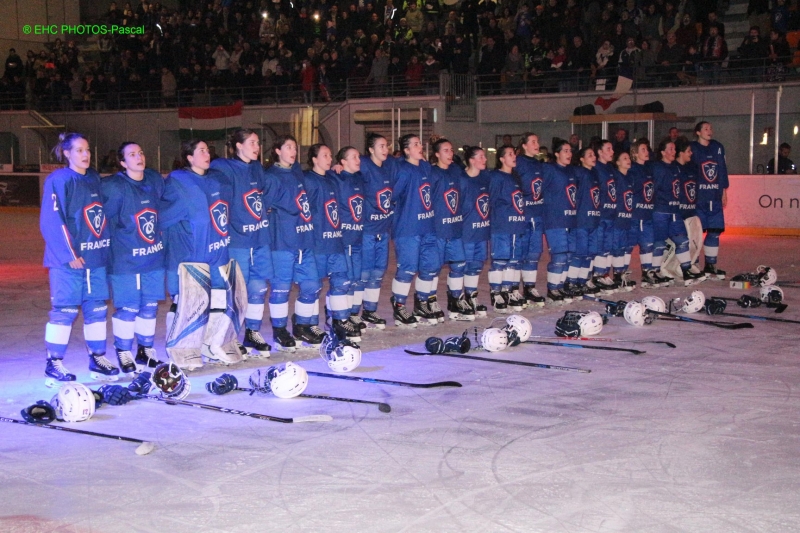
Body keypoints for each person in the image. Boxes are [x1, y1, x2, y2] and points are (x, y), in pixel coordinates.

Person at [40, 133, 115, 387]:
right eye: (79, 150)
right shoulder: (59, 179)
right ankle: (53, 363)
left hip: (95, 258)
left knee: (97, 309)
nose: (85, 154)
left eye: (88, 150)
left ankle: (97, 358)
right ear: (67, 153)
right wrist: (68, 253)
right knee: (65, 311)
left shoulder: (93, 177)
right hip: (68, 261)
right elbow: (51, 219)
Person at [160, 140, 234, 367]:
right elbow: (164, 217)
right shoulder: (179, 181)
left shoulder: (215, 179)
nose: (206, 154)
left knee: (219, 298)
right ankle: (179, 346)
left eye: (207, 150)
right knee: (187, 302)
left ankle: (211, 344)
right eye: (201, 151)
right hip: (190, 254)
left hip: (215, 250)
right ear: (189, 157)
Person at [101, 142, 166, 376]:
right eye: (132, 154)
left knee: (149, 306)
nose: (139, 157)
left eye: (140, 152)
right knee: (128, 308)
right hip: (126, 261)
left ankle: (145, 350)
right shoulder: (114, 187)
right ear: (122, 162)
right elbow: (103, 223)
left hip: (153, 257)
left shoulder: (154, 180)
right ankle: (123, 350)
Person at [209, 129, 273, 357]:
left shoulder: (257, 167)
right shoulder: (222, 167)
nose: (257, 147)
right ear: (238, 145)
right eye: (252, 142)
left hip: (260, 238)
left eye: (258, 142)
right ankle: (230, 337)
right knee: (237, 292)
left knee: (258, 288)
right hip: (238, 241)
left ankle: (252, 332)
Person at [263, 135, 323, 349]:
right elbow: (262, 207)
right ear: (277, 150)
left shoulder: (297, 171)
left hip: (303, 239)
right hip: (282, 242)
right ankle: (279, 330)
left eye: (295, 148)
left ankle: (302, 326)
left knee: (312, 285)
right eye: (288, 147)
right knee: (281, 289)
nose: (293, 151)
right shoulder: (271, 177)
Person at [303, 144, 360, 342]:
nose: (329, 159)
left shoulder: (332, 178)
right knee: (314, 286)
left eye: (330, 155)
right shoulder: (308, 180)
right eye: (325, 155)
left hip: (336, 241)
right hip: (318, 243)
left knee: (341, 281)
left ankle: (339, 320)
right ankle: (309, 324)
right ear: (314, 159)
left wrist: (338, 169)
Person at [390, 134, 438, 327]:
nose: (420, 147)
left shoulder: (425, 167)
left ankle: (422, 303)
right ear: (407, 150)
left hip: (428, 227)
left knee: (430, 267)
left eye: (420, 143)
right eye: (415, 144)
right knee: (407, 269)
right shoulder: (402, 170)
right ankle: (399, 305)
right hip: (408, 229)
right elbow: (392, 196)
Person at [429, 138, 473, 321]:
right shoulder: (432, 173)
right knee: (433, 268)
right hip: (438, 229)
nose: (450, 153)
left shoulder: (456, 170)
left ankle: (455, 300)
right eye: (445, 150)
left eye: (451, 150)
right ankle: (429, 300)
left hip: (455, 229)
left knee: (458, 265)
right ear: (437, 154)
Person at [651, 138, 704, 286]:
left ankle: (686, 270)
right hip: (661, 212)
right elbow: (653, 189)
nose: (674, 151)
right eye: (671, 149)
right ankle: (654, 272)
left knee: (682, 240)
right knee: (659, 243)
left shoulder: (676, 168)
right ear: (663, 152)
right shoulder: (658, 168)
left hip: (675, 212)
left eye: (675, 149)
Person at [358, 133, 394, 329]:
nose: (385, 149)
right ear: (371, 150)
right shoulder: (364, 165)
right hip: (367, 231)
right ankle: (353, 314)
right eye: (381, 146)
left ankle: (370, 311)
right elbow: (348, 169)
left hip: (383, 231)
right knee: (363, 274)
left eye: (386, 146)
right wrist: (337, 168)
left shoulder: (388, 167)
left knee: (378, 273)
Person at [488, 145, 528, 312]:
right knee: (500, 260)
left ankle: (507, 290)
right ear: (502, 159)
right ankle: (496, 293)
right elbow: (491, 201)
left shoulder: (515, 177)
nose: (514, 156)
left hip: (516, 225)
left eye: (514, 154)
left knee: (513, 260)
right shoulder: (496, 177)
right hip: (502, 226)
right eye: (510, 154)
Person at [332, 147, 366, 331]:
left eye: (358, 156)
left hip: (358, 237)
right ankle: (337, 316)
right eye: (353, 157)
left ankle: (352, 314)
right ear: (343, 162)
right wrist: (333, 169)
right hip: (343, 239)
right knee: (343, 280)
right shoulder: (336, 178)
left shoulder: (359, 178)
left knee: (356, 279)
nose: (358, 160)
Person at [541, 139, 578, 304]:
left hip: (570, 219)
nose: (569, 154)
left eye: (570, 151)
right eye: (565, 151)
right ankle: (553, 288)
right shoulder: (550, 169)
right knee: (559, 256)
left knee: (569, 255)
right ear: (556, 153)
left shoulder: (571, 171)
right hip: (555, 220)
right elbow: (539, 191)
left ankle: (561, 285)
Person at [691, 121, 729, 280]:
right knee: (697, 234)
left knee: (715, 231)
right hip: (698, 198)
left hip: (714, 196)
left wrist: (724, 191)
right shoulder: (692, 148)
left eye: (710, 128)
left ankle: (710, 265)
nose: (709, 130)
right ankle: (693, 265)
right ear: (698, 132)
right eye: (705, 128)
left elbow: (722, 169)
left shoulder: (718, 147)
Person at [460, 146, 491, 317]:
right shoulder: (462, 179)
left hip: (481, 230)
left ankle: (471, 296)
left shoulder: (485, 178)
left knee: (476, 265)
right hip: (466, 231)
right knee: (463, 265)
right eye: (480, 157)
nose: (484, 159)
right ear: (471, 160)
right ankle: (457, 299)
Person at [516, 133, 546, 306]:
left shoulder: (539, 164)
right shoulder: (518, 162)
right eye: (533, 141)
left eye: (537, 141)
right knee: (520, 253)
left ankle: (529, 287)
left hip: (537, 213)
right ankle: (513, 289)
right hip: (523, 215)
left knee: (534, 252)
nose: (537, 144)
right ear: (524, 145)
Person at [567, 146, 602, 296]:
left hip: (593, 219)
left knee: (590, 253)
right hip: (581, 220)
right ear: (581, 159)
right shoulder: (578, 172)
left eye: (594, 154)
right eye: (589, 155)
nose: (593, 157)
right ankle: (571, 281)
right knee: (580, 253)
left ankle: (582, 281)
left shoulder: (594, 173)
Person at [628, 139, 660, 288]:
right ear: (634, 153)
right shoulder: (632, 170)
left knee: (648, 244)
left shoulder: (649, 169)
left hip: (647, 214)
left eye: (647, 149)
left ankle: (647, 273)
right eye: (643, 149)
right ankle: (621, 273)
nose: (647, 152)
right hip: (635, 215)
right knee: (627, 246)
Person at [591, 139, 618, 293]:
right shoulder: (596, 168)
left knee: (608, 246)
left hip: (611, 213)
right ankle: (597, 274)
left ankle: (604, 273)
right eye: (608, 149)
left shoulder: (610, 168)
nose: (612, 152)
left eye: (612, 149)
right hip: (601, 214)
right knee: (599, 245)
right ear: (600, 152)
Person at [611, 149, 636, 291]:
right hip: (618, 218)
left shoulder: (630, 177)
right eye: (624, 158)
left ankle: (623, 273)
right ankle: (617, 275)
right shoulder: (616, 177)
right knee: (618, 247)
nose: (628, 160)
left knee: (627, 247)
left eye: (628, 158)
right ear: (618, 162)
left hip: (628, 217)